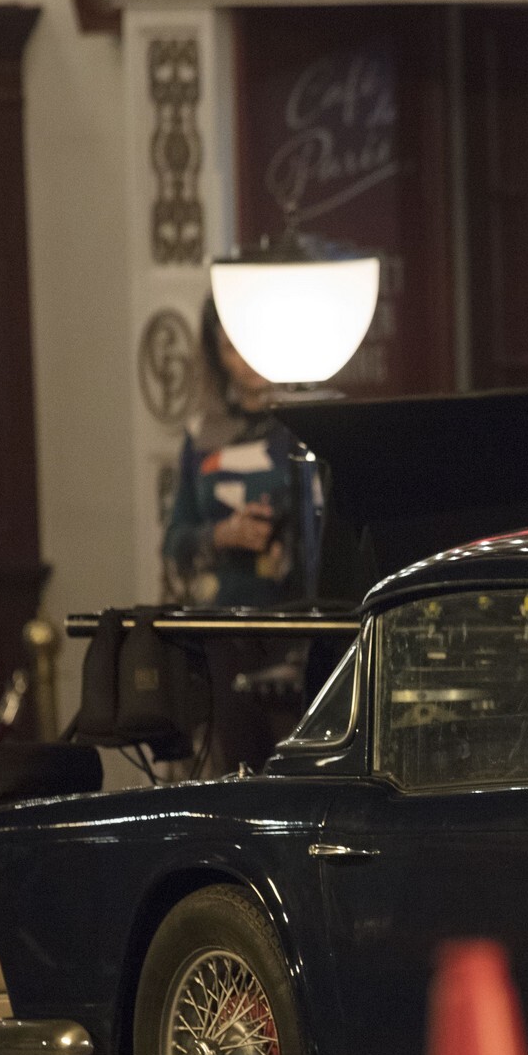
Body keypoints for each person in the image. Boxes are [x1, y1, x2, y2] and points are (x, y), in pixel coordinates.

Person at [162, 301, 319, 769]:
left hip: (294, 622)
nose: (245, 360)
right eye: (231, 347)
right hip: (224, 625)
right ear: (216, 354)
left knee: (296, 762)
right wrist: (223, 534)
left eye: (251, 344)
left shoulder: (304, 424)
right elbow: (175, 540)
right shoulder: (202, 433)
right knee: (237, 763)